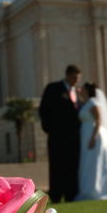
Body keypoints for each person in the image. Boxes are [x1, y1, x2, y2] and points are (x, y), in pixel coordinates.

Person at [39, 64, 81, 202]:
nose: (76, 80)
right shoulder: (53, 88)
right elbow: (44, 109)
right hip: (57, 136)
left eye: (78, 78)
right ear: (68, 75)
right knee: (57, 166)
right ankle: (56, 195)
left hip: (74, 138)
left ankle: (71, 195)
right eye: (74, 77)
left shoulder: (77, 92)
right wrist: (49, 129)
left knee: (72, 166)